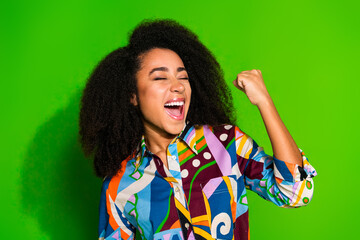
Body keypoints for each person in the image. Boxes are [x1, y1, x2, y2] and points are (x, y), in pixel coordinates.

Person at [79, 19, 317, 240]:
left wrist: (265, 102)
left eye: (183, 77)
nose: (178, 87)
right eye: (160, 78)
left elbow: (294, 192)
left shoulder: (226, 143)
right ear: (132, 95)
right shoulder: (119, 185)